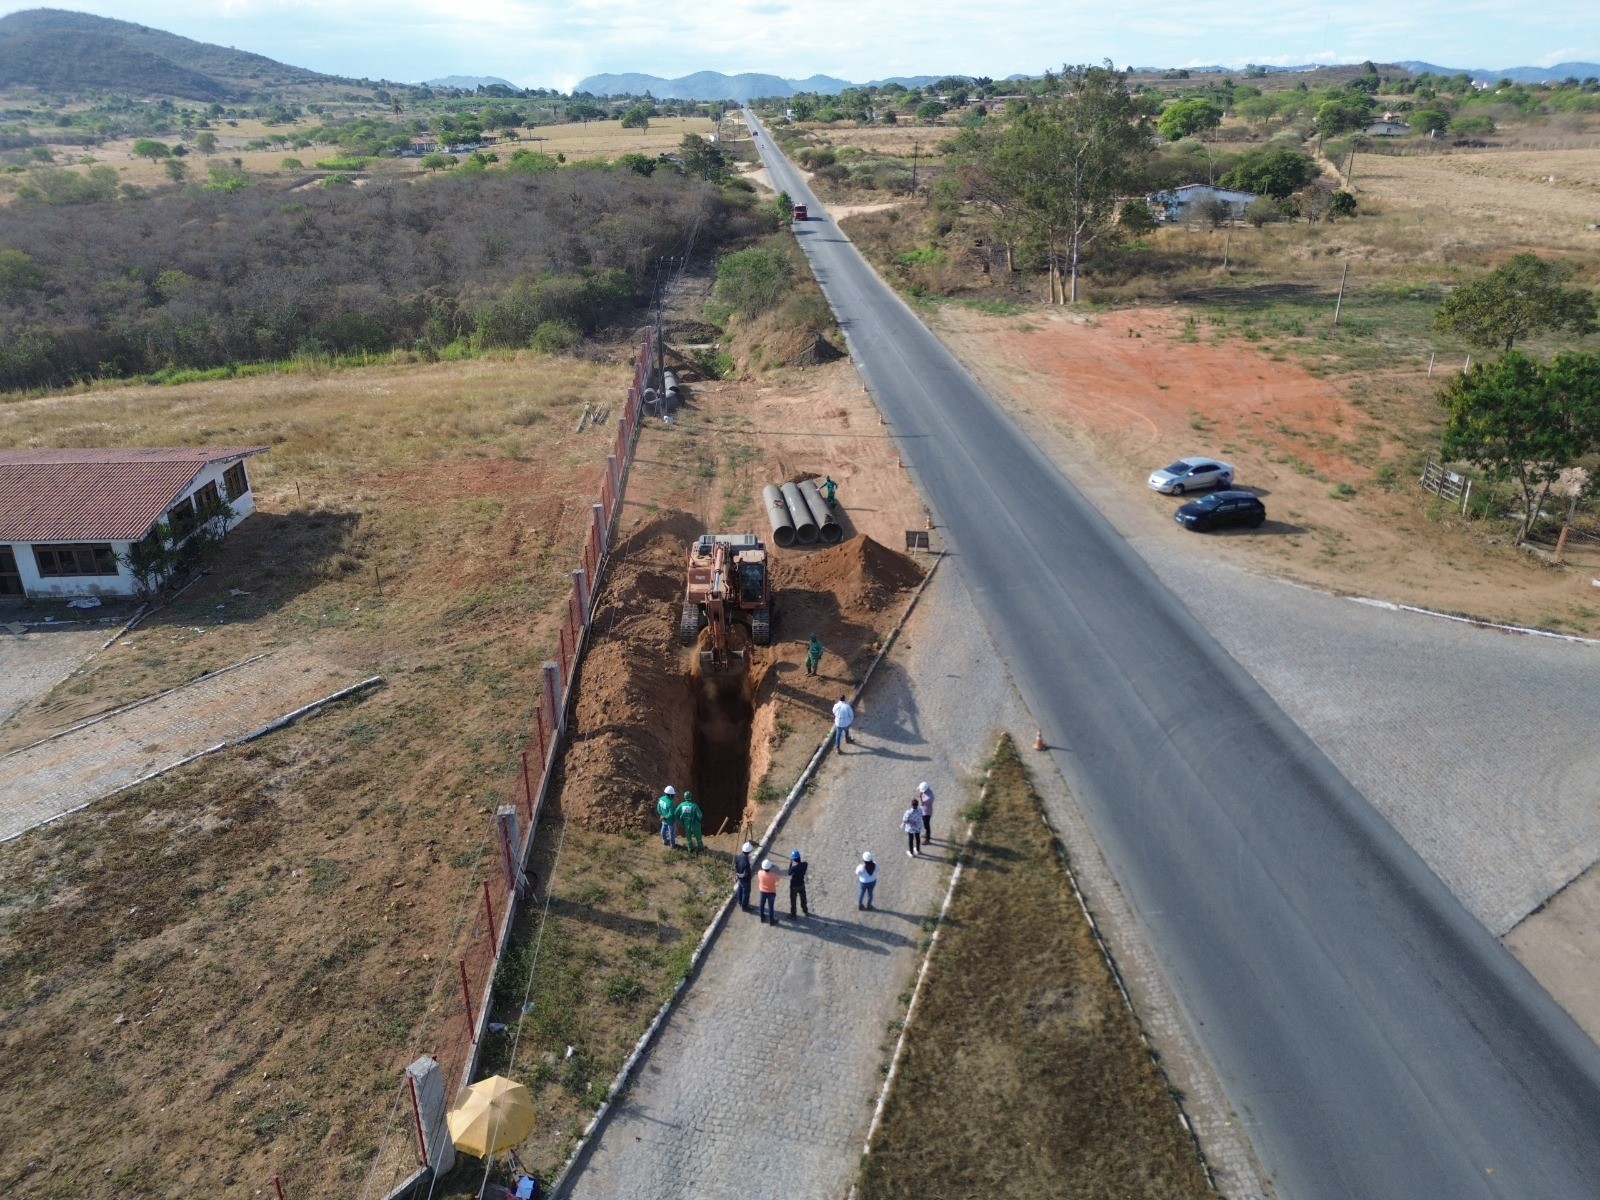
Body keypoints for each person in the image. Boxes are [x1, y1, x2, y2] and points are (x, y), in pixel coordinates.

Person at [787, 848, 810, 918]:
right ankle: (805, 909)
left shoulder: (794, 868)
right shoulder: (805, 864)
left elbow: (789, 873)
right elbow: (803, 864)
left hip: (794, 885)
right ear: (799, 857)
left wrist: (790, 864)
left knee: (793, 900)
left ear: (793, 859)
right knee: (803, 897)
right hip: (801, 884)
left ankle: (793, 913)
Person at [757, 858, 780, 924]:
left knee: (761, 905)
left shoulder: (759, 873)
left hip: (762, 891)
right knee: (771, 907)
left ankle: (762, 917)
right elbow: (777, 881)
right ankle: (771, 920)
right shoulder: (773, 876)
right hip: (771, 892)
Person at [733, 841, 754, 911]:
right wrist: (741, 875)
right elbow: (746, 873)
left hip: (740, 878)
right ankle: (744, 906)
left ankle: (740, 901)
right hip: (745, 880)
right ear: (749, 851)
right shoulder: (746, 862)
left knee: (740, 890)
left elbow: (736, 866)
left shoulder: (739, 857)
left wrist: (737, 875)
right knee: (746, 892)